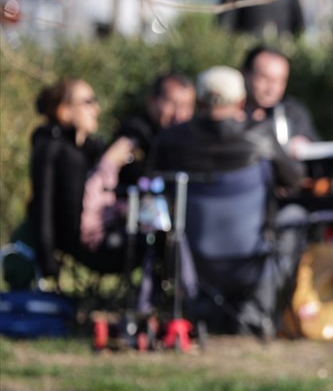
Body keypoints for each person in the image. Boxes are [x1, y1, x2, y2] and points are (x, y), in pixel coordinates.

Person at [149, 66, 306, 336]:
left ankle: (188, 307)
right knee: (297, 216)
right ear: (242, 102)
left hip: (192, 259)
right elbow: (294, 178)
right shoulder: (261, 134)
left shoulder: (171, 140)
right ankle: (258, 311)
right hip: (250, 256)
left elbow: (152, 188)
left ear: (197, 102)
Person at [23, 78, 135, 281]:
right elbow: (44, 204)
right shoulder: (51, 147)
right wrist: (47, 259)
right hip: (79, 241)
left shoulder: (87, 149)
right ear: (64, 111)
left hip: (98, 232)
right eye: (88, 102)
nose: (96, 108)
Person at [113, 72, 196, 189]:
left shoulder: (195, 139)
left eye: (186, 106)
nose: (179, 115)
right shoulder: (133, 132)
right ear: (151, 101)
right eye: (172, 104)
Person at [242, 45, 320, 155]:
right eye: (265, 78)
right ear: (246, 74)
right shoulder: (231, 114)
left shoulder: (294, 112)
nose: (271, 88)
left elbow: (316, 149)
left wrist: (306, 147)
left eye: (279, 81)